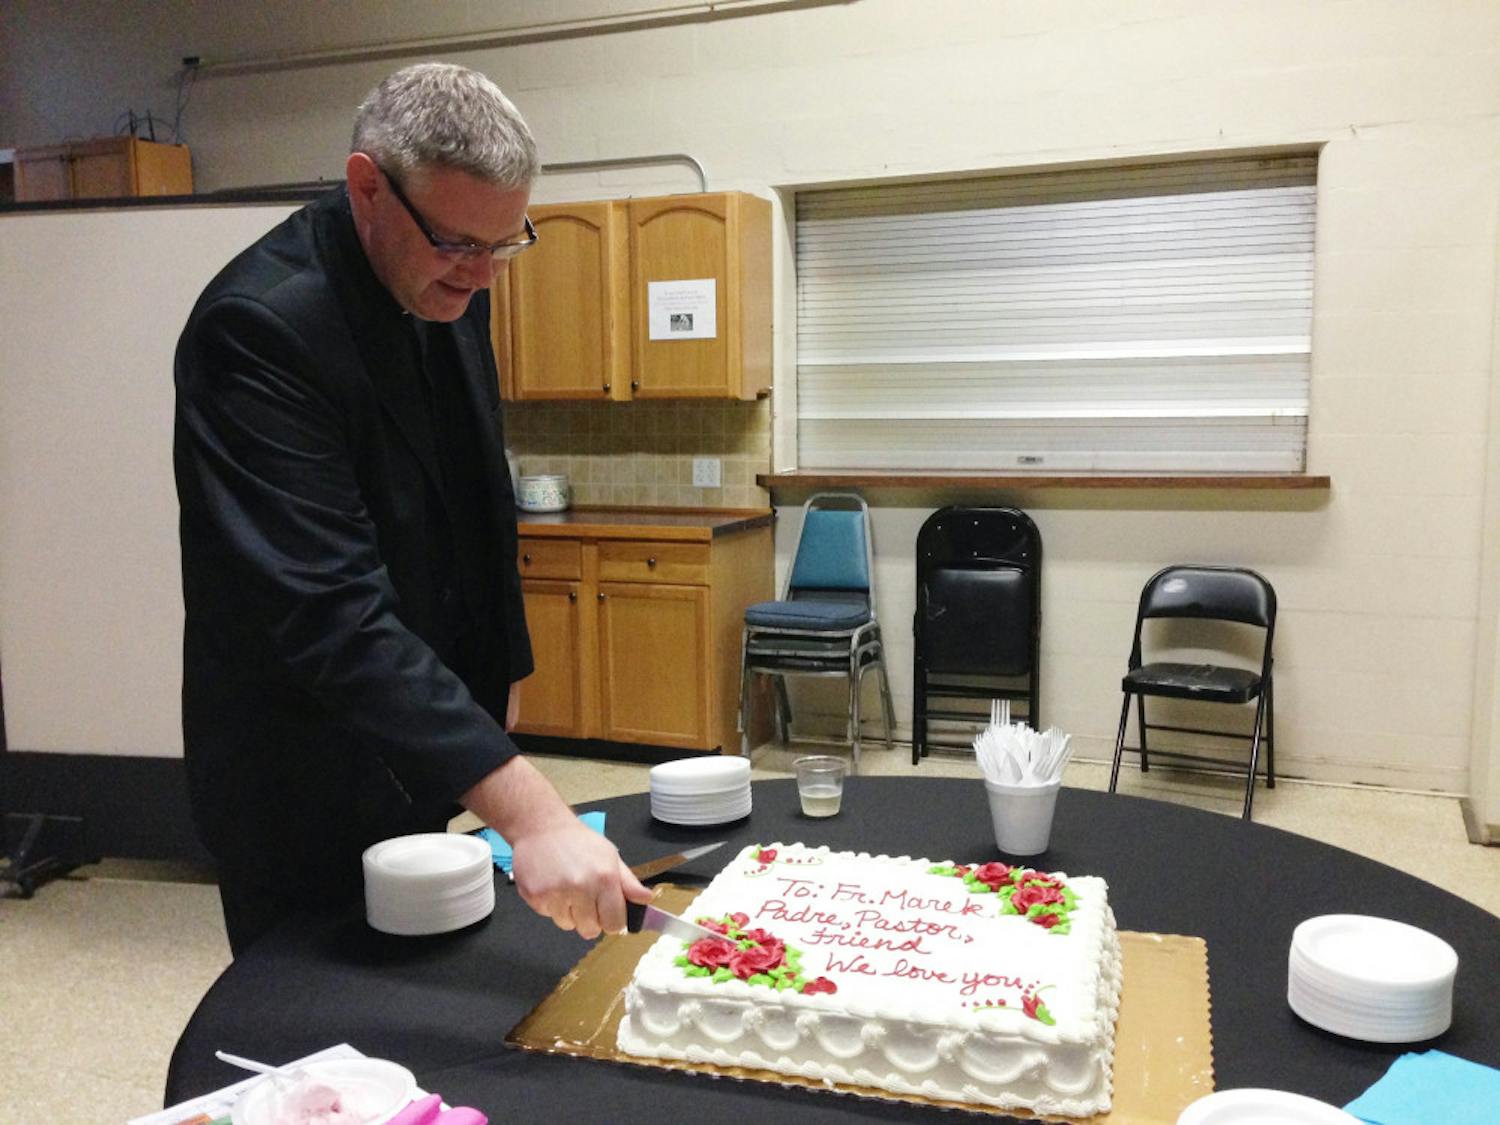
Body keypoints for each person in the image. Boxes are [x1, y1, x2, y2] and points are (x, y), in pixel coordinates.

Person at [174, 62, 649, 956]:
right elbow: (330, 611)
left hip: (429, 741)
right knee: (326, 1030)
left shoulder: (448, 282)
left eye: (506, 244)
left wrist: (500, 673)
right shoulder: (259, 329)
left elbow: (480, 494)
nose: (484, 277)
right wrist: (530, 808)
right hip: (303, 769)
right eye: (460, 244)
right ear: (367, 187)